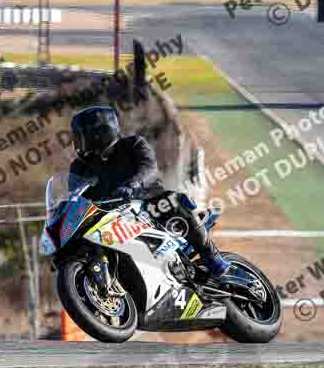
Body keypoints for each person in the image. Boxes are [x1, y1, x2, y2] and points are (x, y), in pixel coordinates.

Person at [68, 105, 237, 282]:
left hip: (148, 204)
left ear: (100, 134)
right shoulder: (80, 167)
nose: (79, 142)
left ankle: (213, 258)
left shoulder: (133, 144)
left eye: (83, 136)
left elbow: (149, 169)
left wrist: (133, 185)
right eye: (77, 137)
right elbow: (76, 193)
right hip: (110, 218)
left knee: (173, 201)